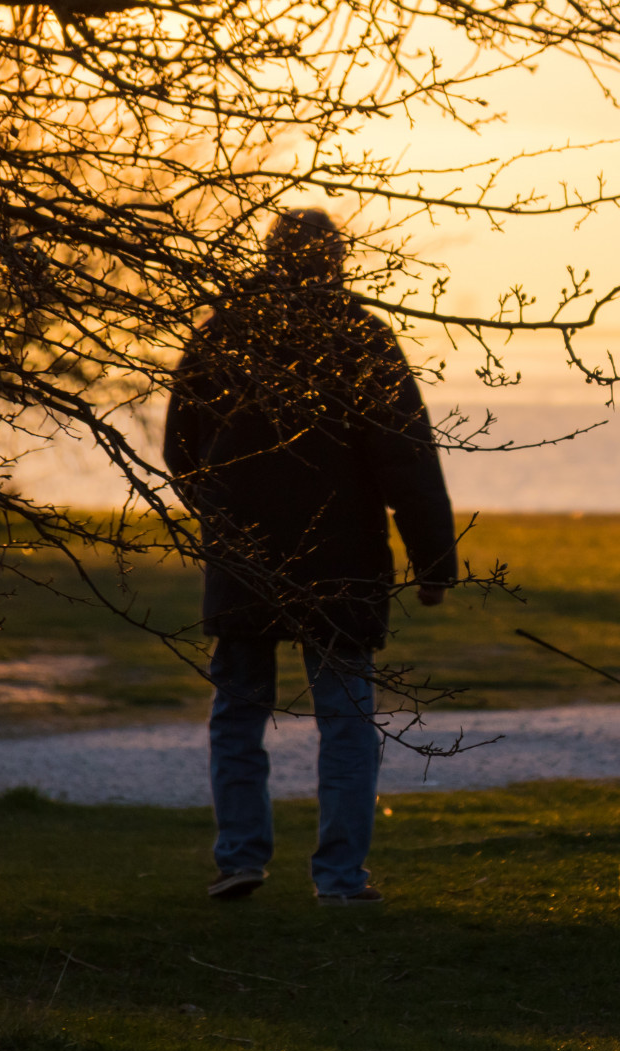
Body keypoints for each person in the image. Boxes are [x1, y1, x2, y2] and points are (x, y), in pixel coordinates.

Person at [164, 208, 456, 906]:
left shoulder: (223, 336)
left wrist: (221, 516)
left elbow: (180, 449)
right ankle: (340, 877)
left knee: (238, 713)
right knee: (347, 721)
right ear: (338, 261)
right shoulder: (361, 339)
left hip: (245, 561)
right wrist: (434, 563)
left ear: (270, 258)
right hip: (341, 563)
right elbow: (407, 459)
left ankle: (239, 858)